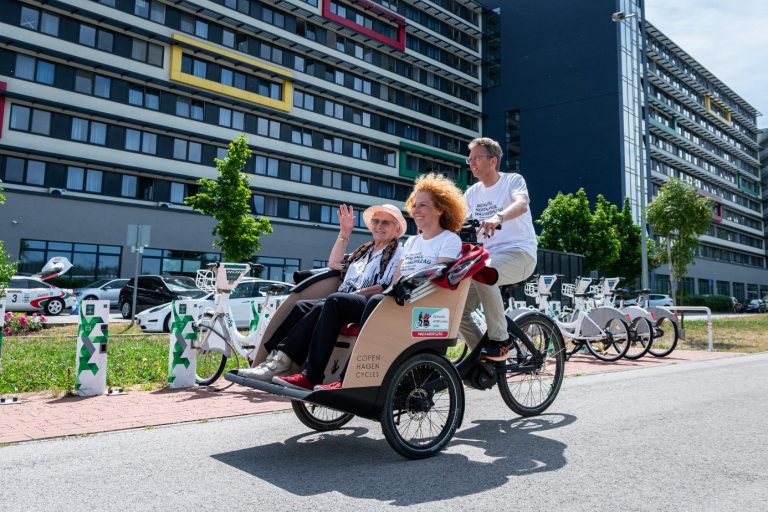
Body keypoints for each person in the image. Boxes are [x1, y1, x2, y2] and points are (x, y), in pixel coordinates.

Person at [280, 173, 466, 391]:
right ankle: (311, 375)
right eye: (414, 205)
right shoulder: (413, 242)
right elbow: (397, 277)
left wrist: (398, 292)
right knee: (335, 302)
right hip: (395, 301)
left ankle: (347, 380)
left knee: (374, 301)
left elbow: (438, 278)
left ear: (440, 209)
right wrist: (394, 291)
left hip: (419, 307)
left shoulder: (449, 240)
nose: (416, 210)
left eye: (423, 205)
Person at [239, 203, 406, 381]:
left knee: (328, 303)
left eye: (385, 223)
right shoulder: (364, 251)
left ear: (397, 230)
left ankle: (293, 368)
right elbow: (334, 264)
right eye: (376, 221)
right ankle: (275, 357)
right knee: (301, 306)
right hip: (344, 299)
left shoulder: (398, 253)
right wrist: (344, 234)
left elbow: (383, 286)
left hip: (369, 303)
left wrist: (353, 295)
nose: (379, 226)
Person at [459, 137, 537, 361]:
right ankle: (483, 358)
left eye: (477, 158)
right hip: (488, 260)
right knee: (459, 310)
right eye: (470, 158)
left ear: (493, 161)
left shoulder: (512, 181)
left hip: (519, 254)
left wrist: (499, 216)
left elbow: (521, 204)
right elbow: (457, 220)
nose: (471, 163)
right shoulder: (472, 193)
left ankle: (501, 342)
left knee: (485, 272)